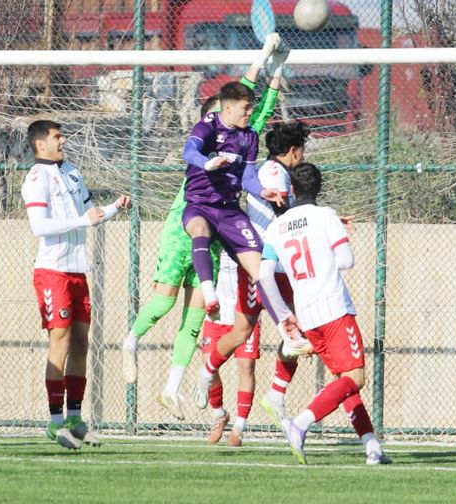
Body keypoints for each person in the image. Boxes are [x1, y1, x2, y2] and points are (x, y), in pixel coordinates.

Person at [121, 34, 289, 422]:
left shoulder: (242, 135)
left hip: (218, 228)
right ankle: (130, 341)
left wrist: (276, 70)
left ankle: (171, 388)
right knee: (164, 303)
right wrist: (263, 56)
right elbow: (244, 92)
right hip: (187, 227)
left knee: (194, 320)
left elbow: (257, 108)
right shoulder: (207, 132)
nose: (241, 115)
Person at [258, 162, 390, 465]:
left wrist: (283, 316)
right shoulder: (326, 216)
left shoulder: (276, 227)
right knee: (355, 378)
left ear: (291, 190)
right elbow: (346, 260)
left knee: (343, 381)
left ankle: (372, 447)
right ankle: (300, 423)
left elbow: (265, 275)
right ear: (319, 189)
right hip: (333, 308)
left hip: (304, 313)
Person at [201, 122, 312, 446]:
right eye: (302, 150)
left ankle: (217, 375)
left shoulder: (271, 172)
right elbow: (288, 215)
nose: (302, 156)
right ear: (293, 152)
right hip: (268, 266)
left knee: (252, 331)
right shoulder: (275, 174)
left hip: (262, 265)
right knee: (292, 331)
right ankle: (268, 391)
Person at [22, 120, 130, 449]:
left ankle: (74, 418)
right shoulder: (36, 178)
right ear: (41, 144)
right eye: (57, 137)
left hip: (77, 271)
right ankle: (55, 422)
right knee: (61, 341)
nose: (63, 140)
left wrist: (113, 208)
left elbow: (89, 212)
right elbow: (39, 227)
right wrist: (84, 220)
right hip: (52, 271)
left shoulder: (71, 171)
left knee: (82, 344)